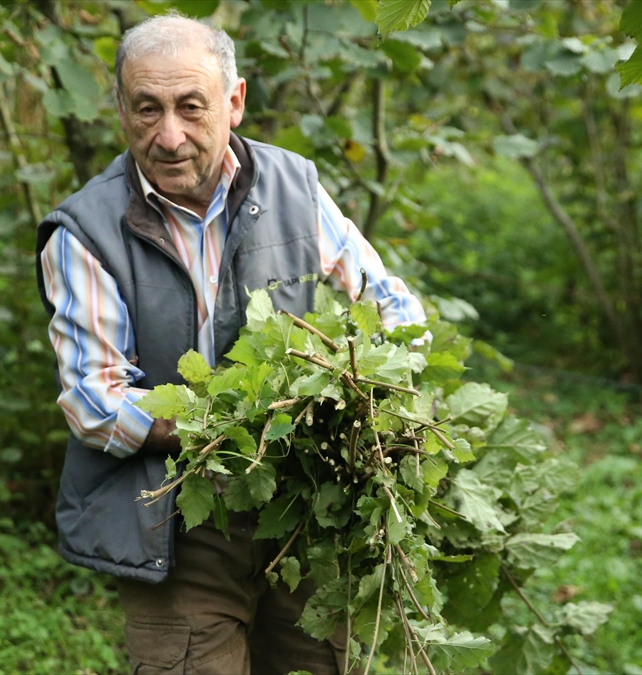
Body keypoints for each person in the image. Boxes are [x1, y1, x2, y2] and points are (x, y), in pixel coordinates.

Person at [35, 13, 426, 675]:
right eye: (146, 109)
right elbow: (93, 400)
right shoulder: (85, 231)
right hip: (176, 526)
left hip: (306, 513)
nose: (169, 135)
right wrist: (233, 425)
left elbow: (390, 308)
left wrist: (379, 392)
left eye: (191, 107)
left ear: (235, 101)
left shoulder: (295, 190)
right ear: (120, 110)